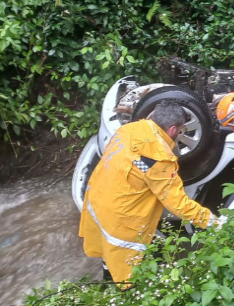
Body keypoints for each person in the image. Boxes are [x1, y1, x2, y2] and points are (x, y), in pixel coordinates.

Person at [79, 101, 225, 284]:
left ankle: (107, 282)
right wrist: (213, 222)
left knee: (110, 256)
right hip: (121, 221)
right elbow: (178, 204)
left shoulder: (129, 129)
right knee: (127, 272)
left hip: (98, 200)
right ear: (172, 129)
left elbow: (136, 164)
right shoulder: (157, 158)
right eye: (180, 131)